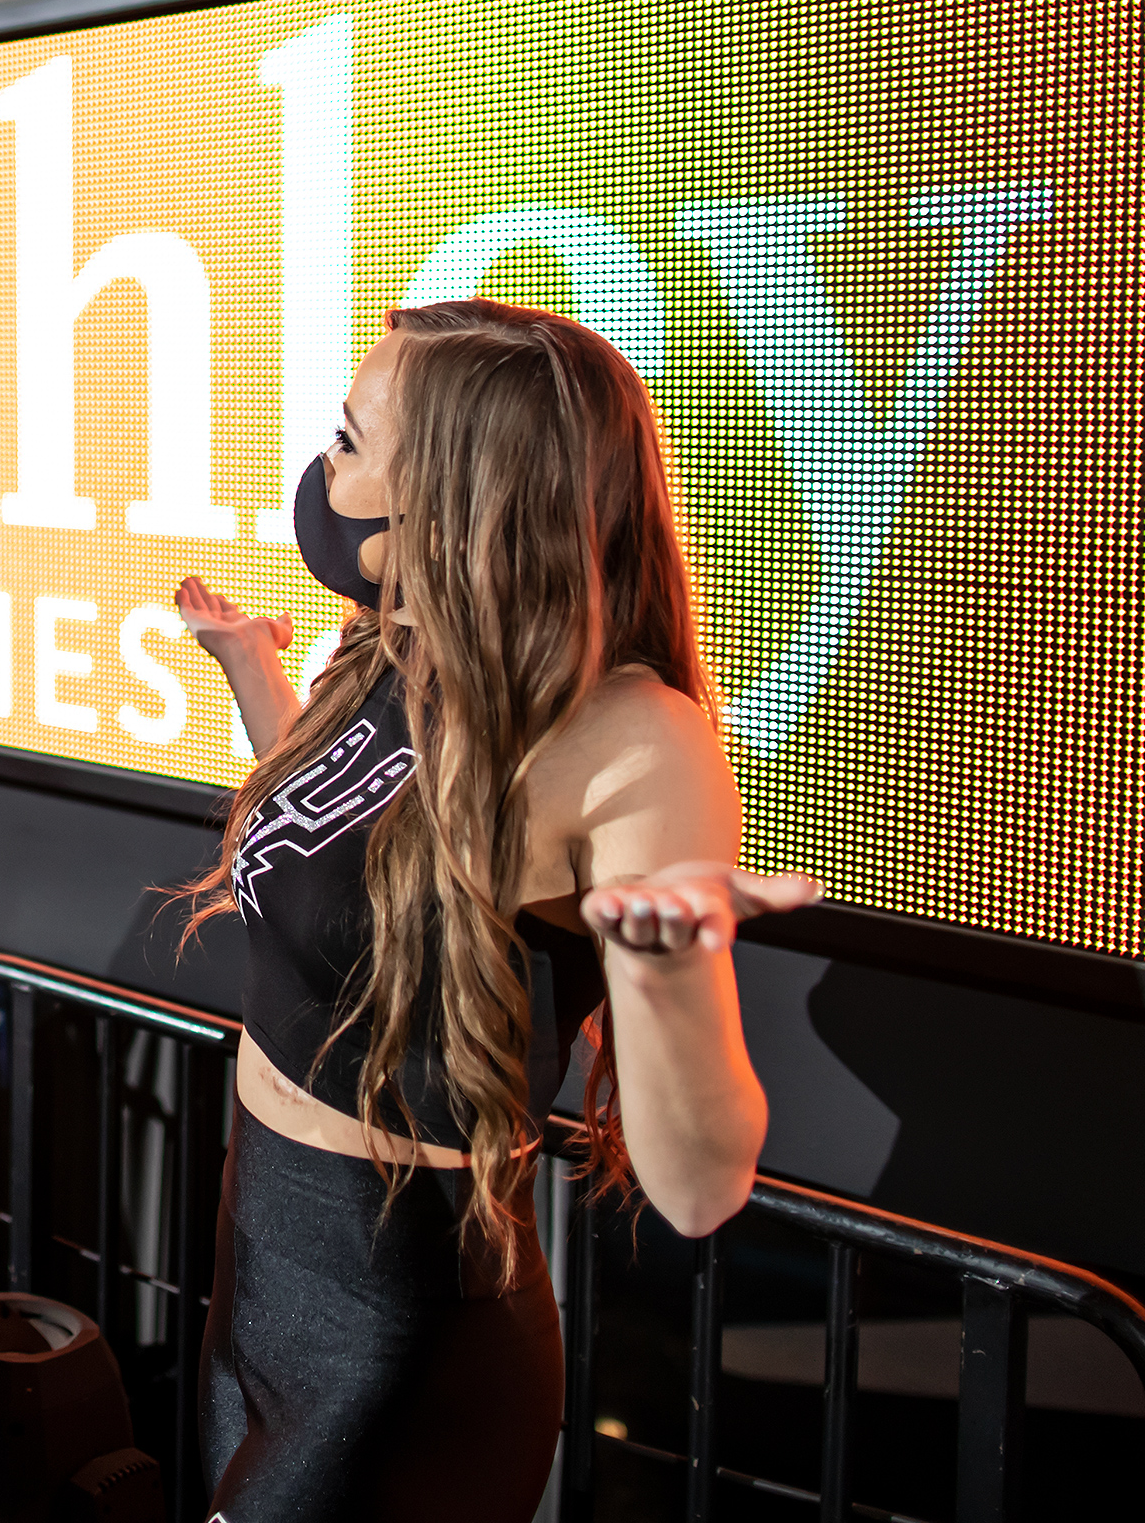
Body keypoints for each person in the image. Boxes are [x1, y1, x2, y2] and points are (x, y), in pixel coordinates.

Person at [175, 298, 820, 1520]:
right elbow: (350, 865)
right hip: (258, 1264)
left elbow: (699, 1184)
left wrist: (664, 963)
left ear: (461, 495)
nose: (323, 473)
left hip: (396, 1327)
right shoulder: (392, 647)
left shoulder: (632, 741)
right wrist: (254, 671)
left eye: (349, 442)